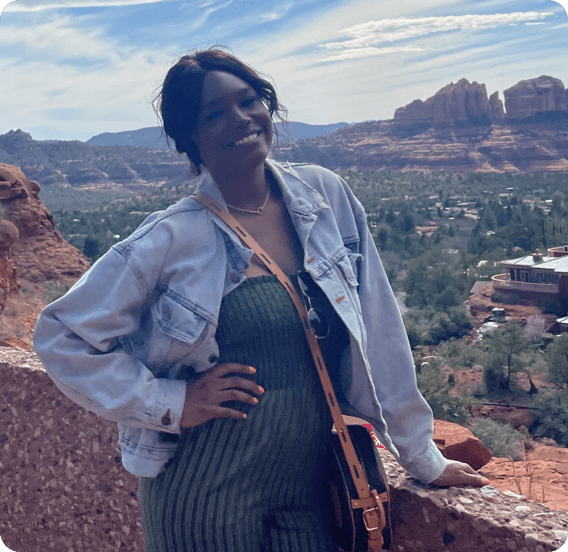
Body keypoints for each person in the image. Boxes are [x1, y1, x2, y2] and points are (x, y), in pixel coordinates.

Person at [33, 47, 486, 552]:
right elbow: (61, 335)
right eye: (214, 114)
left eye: (249, 101)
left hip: (310, 490)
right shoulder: (171, 238)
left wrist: (421, 456)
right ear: (192, 139)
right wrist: (174, 403)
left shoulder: (325, 198)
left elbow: (380, 328)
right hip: (200, 494)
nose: (241, 119)